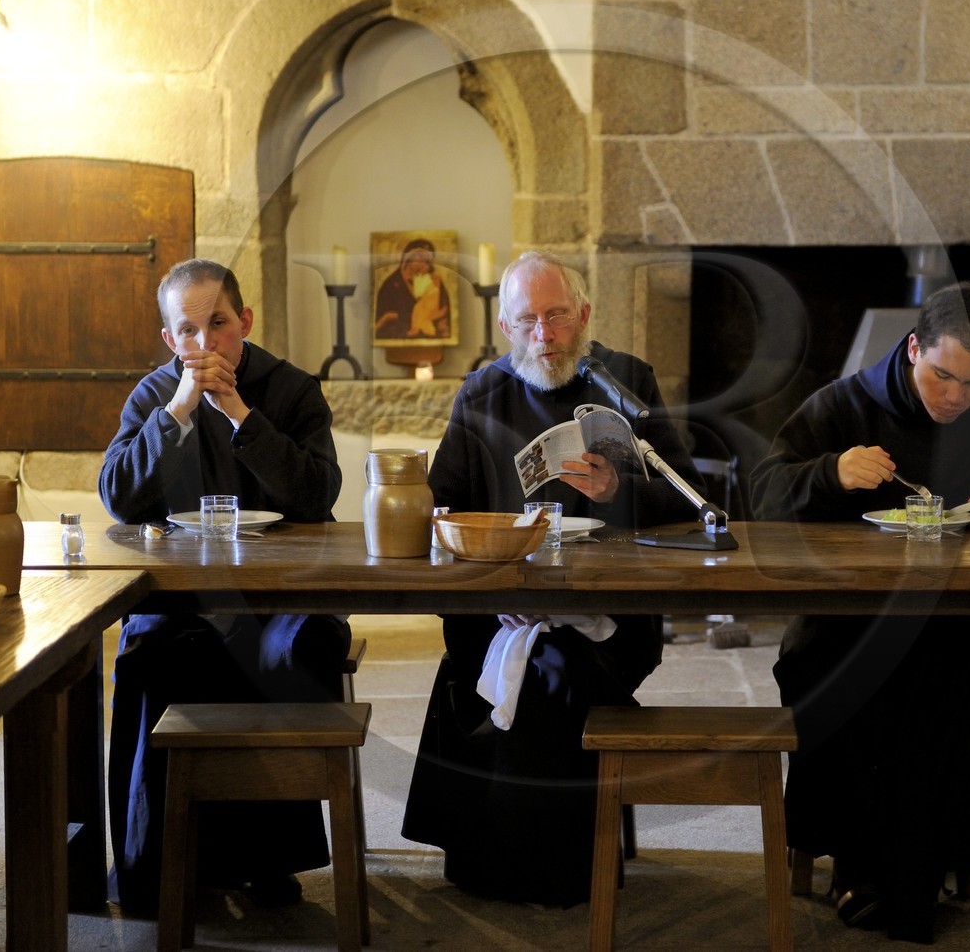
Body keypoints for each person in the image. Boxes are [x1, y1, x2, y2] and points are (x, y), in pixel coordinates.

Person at [750, 281, 970, 943]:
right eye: (944, 376)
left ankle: (922, 864)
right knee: (840, 669)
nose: (956, 398)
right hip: (847, 620)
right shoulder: (844, 405)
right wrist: (829, 473)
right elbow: (760, 496)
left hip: (959, 619)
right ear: (914, 349)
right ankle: (877, 867)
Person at [400, 250, 702, 907]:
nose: (545, 333)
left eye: (558, 315)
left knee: (553, 666)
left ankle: (555, 877)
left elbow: (687, 500)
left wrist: (618, 487)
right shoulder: (482, 391)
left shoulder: (625, 380)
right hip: (500, 601)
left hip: (609, 614)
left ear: (585, 314)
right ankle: (482, 863)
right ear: (507, 328)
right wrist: (469, 547)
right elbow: (443, 499)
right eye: (528, 320)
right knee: (490, 661)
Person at [98, 258, 348, 916]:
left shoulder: (291, 391)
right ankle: (159, 870)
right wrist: (182, 408)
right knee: (154, 657)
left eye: (219, 325)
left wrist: (237, 411)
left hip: (281, 602)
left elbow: (318, 493)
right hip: (183, 603)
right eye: (188, 331)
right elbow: (120, 496)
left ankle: (270, 863)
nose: (206, 346)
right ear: (168, 340)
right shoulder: (154, 395)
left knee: (298, 653)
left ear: (246, 322)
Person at [374, 237, 451, 340]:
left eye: (427, 258)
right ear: (407, 257)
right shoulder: (391, 284)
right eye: (420, 256)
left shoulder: (434, 281)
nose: (423, 261)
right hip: (400, 338)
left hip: (429, 337)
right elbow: (383, 321)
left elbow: (444, 311)